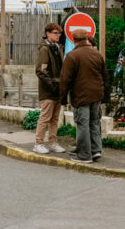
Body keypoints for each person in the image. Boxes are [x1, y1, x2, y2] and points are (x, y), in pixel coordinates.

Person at [59, 28, 109, 163]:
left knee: (82, 124)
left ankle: (84, 155)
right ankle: (96, 150)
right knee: (94, 123)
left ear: (73, 40)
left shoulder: (72, 56)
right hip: (97, 94)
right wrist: (106, 95)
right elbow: (105, 75)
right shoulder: (97, 54)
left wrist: (63, 98)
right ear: (87, 38)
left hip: (81, 96)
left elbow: (65, 80)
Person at [33, 23, 65, 154]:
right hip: (49, 90)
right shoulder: (45, 49)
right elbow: (40, 71)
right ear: (48, 33)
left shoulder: (57, 48)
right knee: (45, 118)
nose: (58, 36)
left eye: (59, 33)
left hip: (58, 89)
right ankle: (38, 143)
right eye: (55, 33)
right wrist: (52, 86)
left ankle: (52, 142)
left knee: (55, 119)